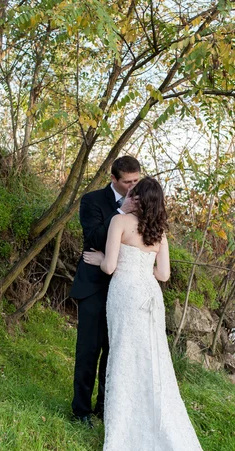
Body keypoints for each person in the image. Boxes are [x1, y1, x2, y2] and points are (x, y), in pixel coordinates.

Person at [83, 177, 232, 451]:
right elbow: (163, 275)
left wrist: (101, 259)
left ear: (138, 199)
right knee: (152, 364)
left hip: (125, 295)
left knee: (123, 358)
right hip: (150, 296)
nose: (128, 196)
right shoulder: (159, 231)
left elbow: (108, 266)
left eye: (133, 193)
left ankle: (125, 431)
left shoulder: (119, 222)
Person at [70, 156, 141, 427]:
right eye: (128, 182)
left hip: (124, 288)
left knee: (115, 352)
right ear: (114, 179)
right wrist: (122, 212)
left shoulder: (143, 204)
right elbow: (95, 238)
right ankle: (81, 411)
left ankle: (105, 407)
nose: (133, 186)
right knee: (89, 350)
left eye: (137, 180)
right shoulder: (92, 201)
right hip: (94, 287)